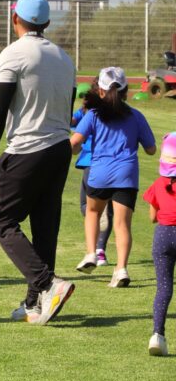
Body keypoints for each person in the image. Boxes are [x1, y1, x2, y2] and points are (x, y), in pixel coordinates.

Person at [0, 0, 76, 326]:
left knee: (2, 221)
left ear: (15, 19)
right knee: (44, 224)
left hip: (27, 148)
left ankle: (48, 284)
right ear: (48, 23)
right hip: (59, 148)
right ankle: (34, 305)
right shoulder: (65, 58)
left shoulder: (13, 54)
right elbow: (67, 109)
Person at [70, 67, 156, 287]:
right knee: (122, 224)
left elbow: (75, 143)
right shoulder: (136, 116)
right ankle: (121, 269)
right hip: (126, 176)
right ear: (126, 91)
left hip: (99, 174)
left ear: (100, 91)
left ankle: (91, 253)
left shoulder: (93, 115)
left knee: (92, 212)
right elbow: (151, 149)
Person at [71, 83, 113, 267]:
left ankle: (94, 247)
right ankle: (100, 249)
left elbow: (72, 125)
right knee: (109, 211)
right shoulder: (116, 112)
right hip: (112, 166)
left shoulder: (89, 113)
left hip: (91, 162)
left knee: (87, 207)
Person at [143, 133, 176, 356]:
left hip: (163, 235)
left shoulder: (157, 184)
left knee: (164, 287)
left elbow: (152, 217)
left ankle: (157, 334)